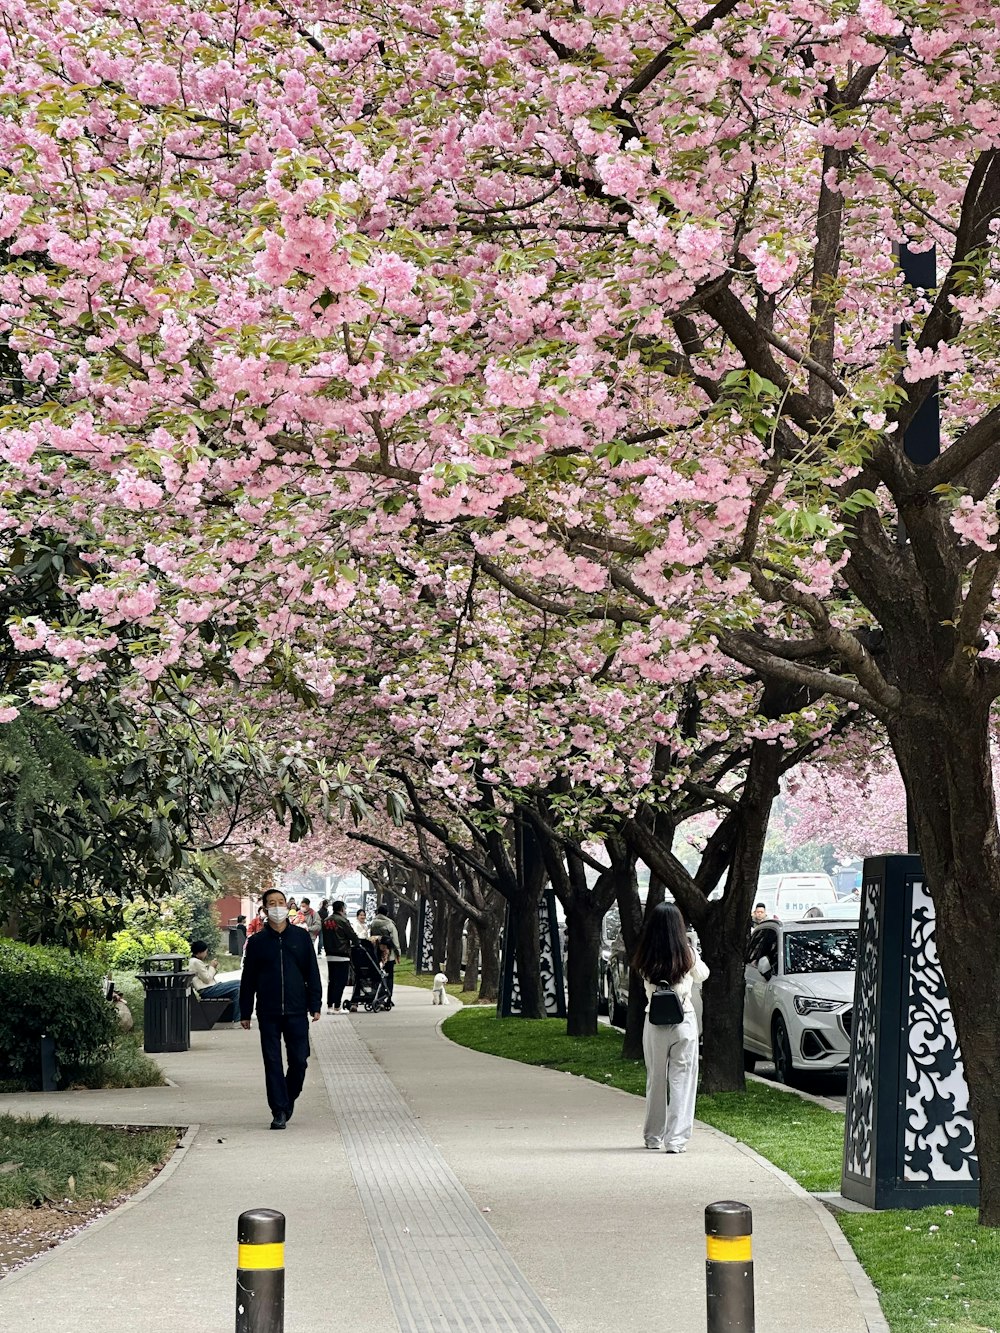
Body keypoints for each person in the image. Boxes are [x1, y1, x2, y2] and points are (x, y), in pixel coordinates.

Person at [239, 888, 322, 1130]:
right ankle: (278, 1110)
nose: (277, 907)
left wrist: (315, 1003)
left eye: (281, 902)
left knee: (300, 1060)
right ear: (265, 909)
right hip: (268, 1011)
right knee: (272, 1060)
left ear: (287, 906)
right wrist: (245, 1011)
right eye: (272, 903)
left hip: (297, 1010)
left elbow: (312, 973)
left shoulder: (300, 937)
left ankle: (288, 1097)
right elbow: (248, 979)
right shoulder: (256, 943)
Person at [633, 902, 709, 1154]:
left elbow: (643, 977)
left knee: (655, 1079)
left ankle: (653, 1136)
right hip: (683, 1019)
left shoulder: (645, 955)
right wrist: (693, 949)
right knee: (682, 1079)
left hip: (654, 1021)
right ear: (679, 927)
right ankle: (676, 1140)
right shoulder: (687, 954)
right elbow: (703, 975)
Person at [189, 941, 242, 1022]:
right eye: (205, 952)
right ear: (200, 952)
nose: (206, 954)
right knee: (239, 984)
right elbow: (207, 979)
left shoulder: (194, 961)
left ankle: (238, 1018)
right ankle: (238, 1019)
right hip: (208, 990)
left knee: (238, 989)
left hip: (209, 988)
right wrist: (212, 967)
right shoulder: (196, 962)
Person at [321, 900, 358, 1012]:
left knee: (332, 981)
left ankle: (329, 1006)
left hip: (330, 954)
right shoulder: (343, 920)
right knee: (341, 981)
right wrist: (357, 943)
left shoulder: (326, 921)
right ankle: (337, 1006)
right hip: (342, 954)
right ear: (342, 909)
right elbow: (352, 935)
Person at [368, 902, 401, 999]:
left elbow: (371, 937)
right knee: (389, 976)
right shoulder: (389, 924)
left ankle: (377, 995)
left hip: (376, 953)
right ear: (386, 913)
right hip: (388, 954)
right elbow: (395, 940)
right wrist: (397, 953)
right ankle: (388, 996)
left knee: (378, 975)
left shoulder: (373, 923)